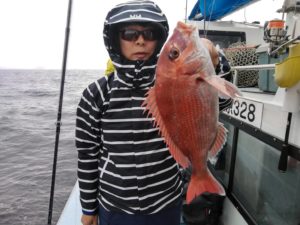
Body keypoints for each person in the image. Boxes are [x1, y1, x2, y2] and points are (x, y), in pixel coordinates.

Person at [75, 1, 233, 225]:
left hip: (166, 202)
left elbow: (224, 105)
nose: (140, 40)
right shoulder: (96, 94)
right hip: (115, 206)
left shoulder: (173, 82)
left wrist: (216, 60)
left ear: (159, 38)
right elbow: (87, 155)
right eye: (129, 33)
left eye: (149, 33)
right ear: (114, 39)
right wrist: (89, 207)